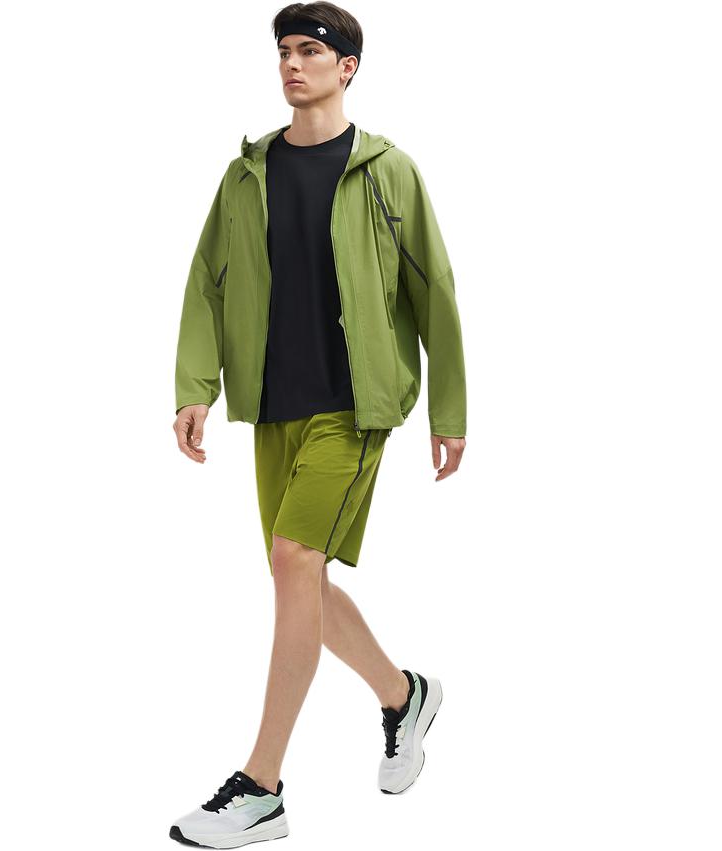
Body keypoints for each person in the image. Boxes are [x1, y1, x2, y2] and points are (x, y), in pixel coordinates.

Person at [169, 3, 466, 846]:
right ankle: (403, 695)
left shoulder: (388, 170)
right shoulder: (247, 173)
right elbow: (206, 280)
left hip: (354, 404)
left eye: (309, 51)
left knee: (294, 560)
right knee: (297, 576)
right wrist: (194, 385)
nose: (292, 64)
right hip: (272, 405)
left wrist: (449, 408)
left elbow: (434, 289)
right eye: (283, 52)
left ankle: (260, 785)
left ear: (347, 68)